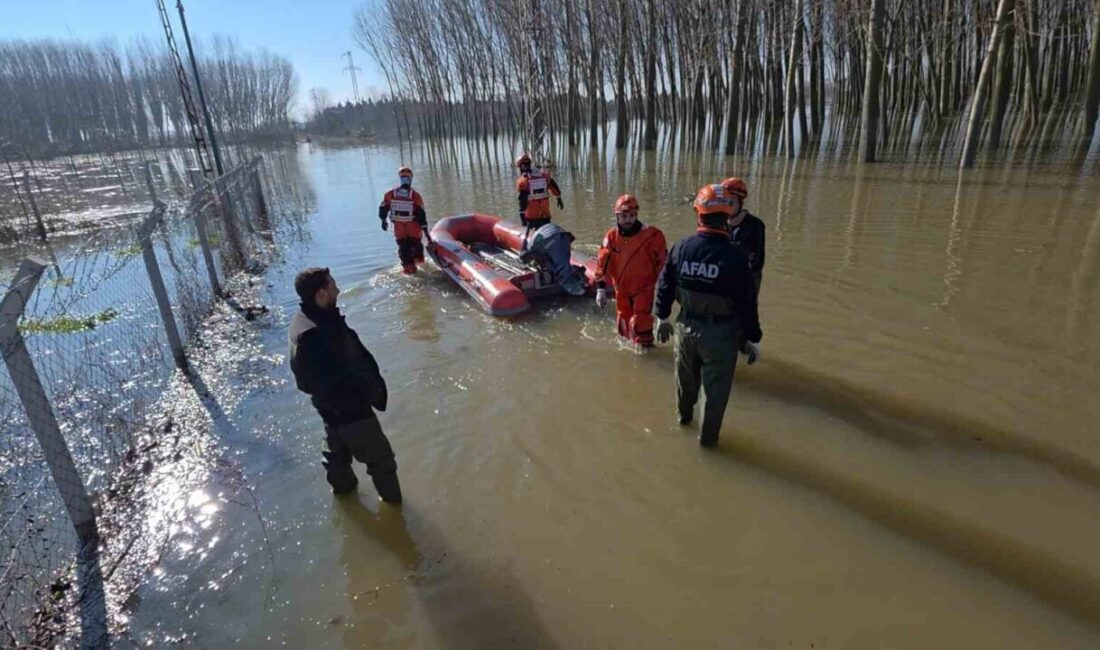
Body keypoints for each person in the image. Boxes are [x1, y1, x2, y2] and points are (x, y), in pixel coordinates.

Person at [654, 184, 762, 447]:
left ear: (698, 215)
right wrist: (753, 338)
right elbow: (747, 303)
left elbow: (664, 285)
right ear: (726, 216)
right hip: (721, 336)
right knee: (715, 395)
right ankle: (707, 444)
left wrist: (662, 316)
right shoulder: (736, 257)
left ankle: (683, 421)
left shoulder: (681, 248)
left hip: (685, 329)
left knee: (684, 384)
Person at [288, 267, 402, 502]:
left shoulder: (304, 320)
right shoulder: (317, 335)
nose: (338, 289)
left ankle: (346, 503)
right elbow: (331, 379)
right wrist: (361, 397)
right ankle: (396, 511)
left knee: (336, 459)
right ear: (321, 294)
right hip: (351, 412)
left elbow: (309, 381)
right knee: (382, 463)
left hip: (330, 412)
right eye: (332, 286)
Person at [594, 194, 668, 347]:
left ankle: (646, 353)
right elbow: (602, 263)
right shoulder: (611, 237)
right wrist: (600, 289)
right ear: (617, 216)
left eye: (632, 216)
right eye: (624, 216)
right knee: (623, 325)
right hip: (621, 289)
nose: (628, 219)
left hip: (644, 288)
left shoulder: (652, 236)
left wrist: (664, 291)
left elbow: (663, 264)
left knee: (642, 325)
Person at [379, 166, 431, 274]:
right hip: (413, 228)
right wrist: (427, 233)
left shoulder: (390, 194)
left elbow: (383, 209)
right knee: (416, 247)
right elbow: (421, 215)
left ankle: (408, 269)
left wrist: (383, 221)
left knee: (403, 248)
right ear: (411, 179)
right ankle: (419, 267)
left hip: (399, 227)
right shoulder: (415, 196)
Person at [721, 177, 765, 292]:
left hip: (746, 281)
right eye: (723, 202)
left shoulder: (755, 225)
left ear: (741, 202)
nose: (727, 206)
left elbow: (755, 260)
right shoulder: (720, 223)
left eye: (731, 202)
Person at [515, 153, 563, 238]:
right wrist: (559, 199)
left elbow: (522, 201)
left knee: (531, 236)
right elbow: (555, 189)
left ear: (522, 167)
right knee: (546, 234)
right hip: (545, 215)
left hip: (531, 216)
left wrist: (522, 217)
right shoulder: (544, 176)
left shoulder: (523, 181)